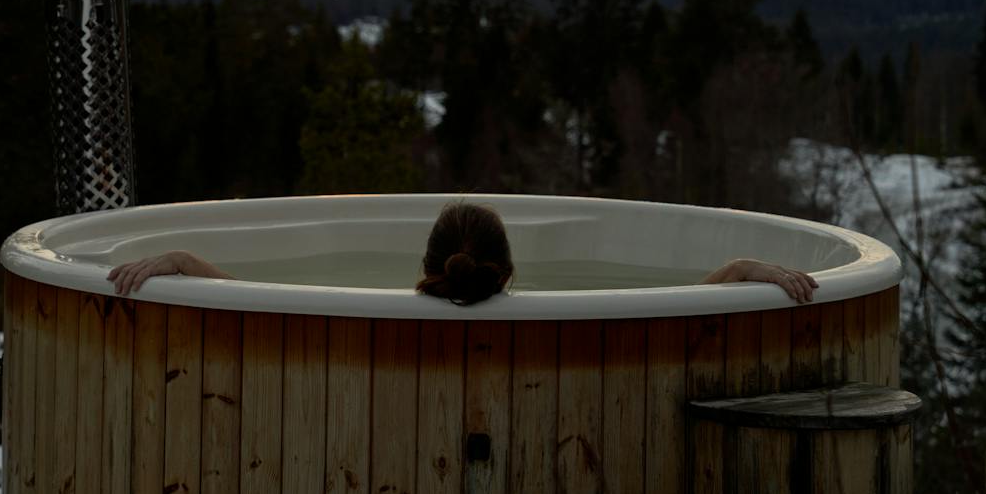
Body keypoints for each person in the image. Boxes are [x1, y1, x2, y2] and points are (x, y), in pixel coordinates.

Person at [106, 200, 819, 304]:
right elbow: (677, 309)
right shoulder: (574, 318)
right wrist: (743, 270)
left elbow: (248, 302)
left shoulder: (360, 314)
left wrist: (179, 261)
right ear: (510, 271)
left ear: (427, 266)